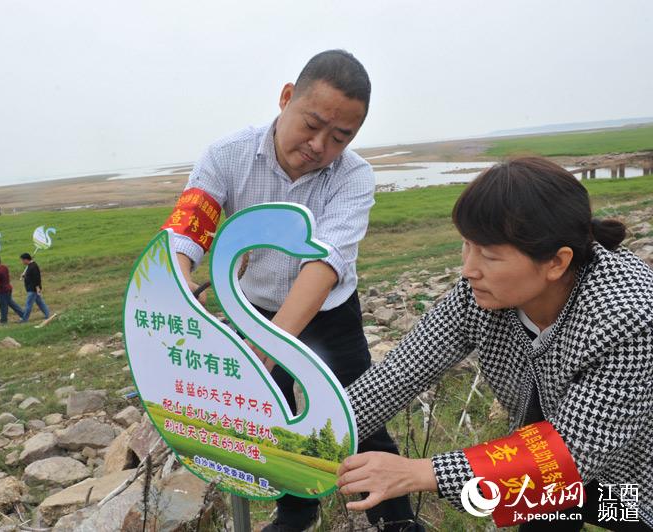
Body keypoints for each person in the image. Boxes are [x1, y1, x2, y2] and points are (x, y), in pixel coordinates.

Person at [161, 50, 420, 532]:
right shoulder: (227, 155)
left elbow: (326, 265)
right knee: (269, 417)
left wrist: (269, 347)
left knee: (358, 410)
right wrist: (177, 291)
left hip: (330, 313)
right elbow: (187, 231)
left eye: (340, 137)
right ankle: (296, 514)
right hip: (254, 306)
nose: (320, 145)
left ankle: (395, 517)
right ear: (286, 99)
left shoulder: (354, 176)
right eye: (312, 124)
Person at [338, 158, 653, 531]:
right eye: (466, 246)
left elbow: (571, 452)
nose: (469, 268)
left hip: (630, 484)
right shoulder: (479, 296)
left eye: (488, 254)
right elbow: (400, 373)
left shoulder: (631, 316)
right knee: (540, 509)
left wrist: (418, 472)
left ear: (556, 262)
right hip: (539, 463)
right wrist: (313, 433)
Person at [0, 256, 25, 325]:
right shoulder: (4, 267)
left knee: (3, 305)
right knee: (11, 303)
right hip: (8, 288)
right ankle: (23, 315)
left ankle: (3, 321)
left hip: (2, 291)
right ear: (0, 261)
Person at [19, 252, 50, 321]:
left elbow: (36, 278)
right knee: (40, 302)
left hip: (33, 289)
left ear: (26, 260)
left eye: (22, 260)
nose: (22, 262)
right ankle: (48, 314)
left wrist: (37, 287)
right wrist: (24, 276)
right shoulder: (30, 266)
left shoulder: (33, 266)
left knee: (28, 304)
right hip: (32, 288)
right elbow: (30, 276)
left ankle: (24, 319)